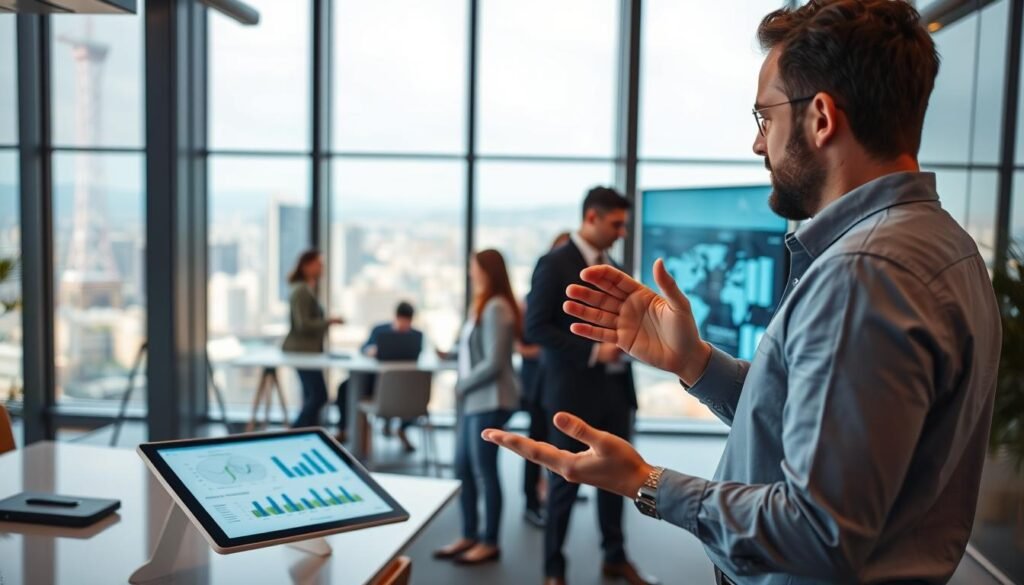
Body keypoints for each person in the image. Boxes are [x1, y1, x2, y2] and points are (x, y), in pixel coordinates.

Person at [483, 2, 1002, 584]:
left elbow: (817, 532)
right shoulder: (944, 244)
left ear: (821, 118)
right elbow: (805, 420)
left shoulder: (864, 274)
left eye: (765, 118)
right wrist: (695, 361)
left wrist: (646, 482)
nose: (758, 146)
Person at [524, 189, 656, 585]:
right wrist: (594, 353)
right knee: (565, 482)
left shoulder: (613, 266)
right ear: (591, 218)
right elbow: (536, 328)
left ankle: (614, 557)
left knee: (618, 480)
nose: (621, 232)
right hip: (571, 395)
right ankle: (553, 570)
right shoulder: (553, 263)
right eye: (616, 224)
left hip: (616, 394)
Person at [433, 249, 522, 566]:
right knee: (463, 468)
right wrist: (451, 356)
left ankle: (490, 541)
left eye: (473, 267)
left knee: (484, 472)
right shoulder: (481, 305)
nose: (471, 272)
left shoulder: (497, 307)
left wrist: (462, 384)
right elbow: (472, 351)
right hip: (474, 400)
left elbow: (496, 363)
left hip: (491, 399)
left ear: (486, 270)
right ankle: (469, 533)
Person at [519, 231, 572, 529]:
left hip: (559, 383)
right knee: (536, 444)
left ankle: (555, 490)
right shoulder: (536, 296)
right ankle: (530, 500)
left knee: (559, 444)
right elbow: (525, 342)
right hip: (538, 383)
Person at [335, 301, 423, 451]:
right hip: (376, 383)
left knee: (419, 392)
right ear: (395, 317)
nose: (404, 325)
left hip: (403, 387)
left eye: (407, 322)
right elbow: (363, 348)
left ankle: (402, 430)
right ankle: (344, 430)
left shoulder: (416, 336)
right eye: (401, 320)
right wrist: (370, 350)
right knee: (344, 387)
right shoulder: (380, 331)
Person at [282, 250, 343, 428]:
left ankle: (302, 433)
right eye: (319, 264)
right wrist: (328, 321)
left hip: (308, 351)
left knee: (313, 395)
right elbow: (303, 324)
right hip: (302, 351)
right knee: (319, 395)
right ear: (307, 265)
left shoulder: (307, 288)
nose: (322, 268)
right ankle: (295, 432)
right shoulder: (301, 290)